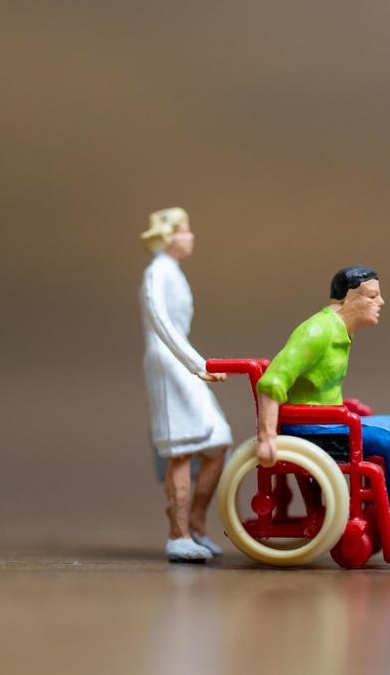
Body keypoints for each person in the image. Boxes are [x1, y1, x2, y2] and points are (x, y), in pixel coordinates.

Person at [254, 265, 390, 544]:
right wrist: (266, 437)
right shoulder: (317, 332)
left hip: (331, 420)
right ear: (348, 299)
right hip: (314, 429)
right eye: (372, 296)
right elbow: (272, 382)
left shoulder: (342, 331)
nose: (381, 303)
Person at [139, 207, 232, 563]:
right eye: (184, 230)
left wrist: (195, 364)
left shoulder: (172, 272)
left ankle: (195, 523)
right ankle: (177, 535)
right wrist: (197, 365)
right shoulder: (156, 273)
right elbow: (161, 322)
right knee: (181, 448)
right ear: (168, 236)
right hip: (169, 365)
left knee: (218, 440)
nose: (190, 237)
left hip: (184, 363)